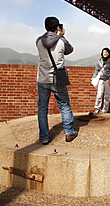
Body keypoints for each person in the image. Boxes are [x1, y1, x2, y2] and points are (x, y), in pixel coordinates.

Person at [36, 16, 78, 144]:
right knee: (64, 105)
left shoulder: (38, 41)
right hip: (57, 79)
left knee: (42, 108)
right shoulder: (61, 41)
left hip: (42, 79)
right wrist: (62, 36)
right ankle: (68, 132)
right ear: (57, 27)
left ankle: (44, 137)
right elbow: (70, 50)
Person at [92, 47, 110, 114]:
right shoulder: (99, 60)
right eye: (103, 52)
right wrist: (93, 77)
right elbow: (96, 69)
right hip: (101, 79)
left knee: (107, 95)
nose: (105, 53)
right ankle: (97, 107)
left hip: (107, 79)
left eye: (106, 52)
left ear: (108, 53)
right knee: (99, 94)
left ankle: (105, 109)